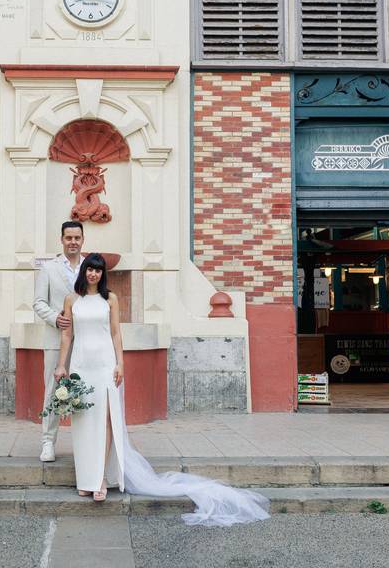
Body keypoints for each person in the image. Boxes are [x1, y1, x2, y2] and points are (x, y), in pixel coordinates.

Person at [53, 253, 272, 526]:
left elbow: (116, 333)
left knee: (107, 420)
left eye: (98, 270)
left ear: (102, 274)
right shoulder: (72, 300)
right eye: (90, 270)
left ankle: (100, 479)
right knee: (84, 421)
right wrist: (61, 365)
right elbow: (66, 334)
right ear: (83, 271)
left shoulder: (111, 299)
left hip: (105, 364)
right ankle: (84, 479)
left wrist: (120, 363)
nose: (93, 274)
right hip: (81, 364)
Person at [33, 220, 84, 462]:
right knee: (53, 391)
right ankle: (47, 442)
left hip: (85, 340)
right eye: (68, 238)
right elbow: (38, 302)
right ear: (61, 239)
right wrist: (55, 318)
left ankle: (84, 443)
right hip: (56, 339)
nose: (73, 242)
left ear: (82, 240)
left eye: (77, 238)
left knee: (84, 389)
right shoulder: (49, 269)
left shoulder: (90, 267)